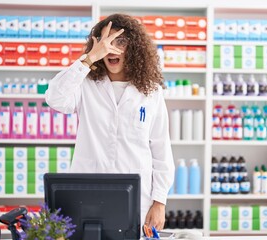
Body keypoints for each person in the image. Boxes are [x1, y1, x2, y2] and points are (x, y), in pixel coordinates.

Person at [45, 13, 175, 231]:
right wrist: (88, 59)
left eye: (120, 41)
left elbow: (161, 150)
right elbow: (55, 99)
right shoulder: (85, 84)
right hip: (86, 195)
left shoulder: (151, 92)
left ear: (133, 48)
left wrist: (160, 201)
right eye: (106, 42)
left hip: (137, 199)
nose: (112, 49)